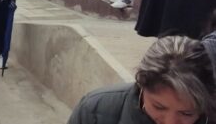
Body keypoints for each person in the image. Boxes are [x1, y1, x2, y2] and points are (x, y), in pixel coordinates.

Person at [67, 36, 216, 124]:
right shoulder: (95, 110)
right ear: (141, 87)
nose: (170, 122)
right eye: (159, 107)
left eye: (186, 114)